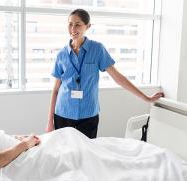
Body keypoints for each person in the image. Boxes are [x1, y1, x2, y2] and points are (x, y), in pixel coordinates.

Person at [0, 59, 186, 181]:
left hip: (20, 147)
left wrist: (19, 138)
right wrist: (26, 145)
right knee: (78, 156)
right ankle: (155, 171)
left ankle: (146, 161)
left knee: (76, 142)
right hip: (19, 162)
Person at [46, 8, 164, 138]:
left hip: (88, 114)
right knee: (64, 154)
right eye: (70, 24)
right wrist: (49, 122)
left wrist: (146, 98)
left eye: (78, 24)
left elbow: (118, 78)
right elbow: (56, 90)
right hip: (63, 113)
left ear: (88, 26)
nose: (73, 28)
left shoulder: (97, 49)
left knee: (86, 153)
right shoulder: (62, 54)